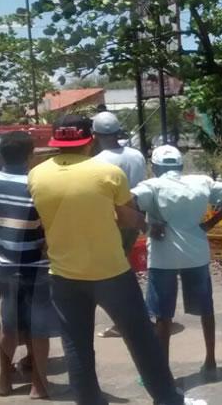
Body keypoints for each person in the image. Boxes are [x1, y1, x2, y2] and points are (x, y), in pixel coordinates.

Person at [28, 115, 184, 405]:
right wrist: (146, 223)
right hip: (110, 271)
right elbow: (126, 218)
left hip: (64, 274)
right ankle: (167, 399)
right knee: (141, 338)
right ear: (90, 139)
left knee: (76, 345)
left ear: (56, 142)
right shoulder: (107, 172)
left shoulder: (37, 174)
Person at [132, 145, 222, 379]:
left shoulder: (151, 186)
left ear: (154, 167)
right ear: (180, 166)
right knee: (206, 309)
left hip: (163, 258)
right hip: (196, 253)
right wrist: (212, 222)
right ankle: (211, 360)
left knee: (163, 316)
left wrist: (145, 226)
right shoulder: (201, 182)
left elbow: (125, 202)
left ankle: (161, 370)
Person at [0, 131, 59, 398]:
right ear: (30, 155)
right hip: (37, 264)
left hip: (4, 264)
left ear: (0, 156)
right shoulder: (37, 183)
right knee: (39, 327)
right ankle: (38, 386)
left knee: (8, 326)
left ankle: (5, 382)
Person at [92, 111, 147, 338]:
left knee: (114, 272)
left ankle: (126, 321)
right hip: (135, 217)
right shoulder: (136, 155)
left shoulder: (97, 162)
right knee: (124, 267)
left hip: (113, 220)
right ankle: (136, 316)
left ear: (94, 135)